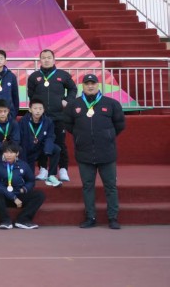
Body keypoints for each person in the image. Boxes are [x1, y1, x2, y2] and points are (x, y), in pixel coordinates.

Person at [64, 74, 126, 230]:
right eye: (87, 84)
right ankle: (90, 217)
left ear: (98, 85)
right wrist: (80, 136)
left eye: (93, 83)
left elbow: (120, 125)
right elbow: (68, 125)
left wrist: (107, 136)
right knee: (88, 186)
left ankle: (113, 218)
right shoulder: (74, 105)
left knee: (110, 186)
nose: (90, 86)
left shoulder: (111, 104)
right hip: (84, 153)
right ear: (82, 86)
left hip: (106, 153)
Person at [27, 49, 77, 182]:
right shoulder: (34, 77)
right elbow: (31, 95)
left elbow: (73, 89)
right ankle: (43, 169)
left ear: (54, 59)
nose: (46, 60)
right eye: (43, 58)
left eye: (49, 57)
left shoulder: (63, 75)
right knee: (41, 143)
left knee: (60, 143)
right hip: (41, 118)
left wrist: (67, 101)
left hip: (59, 116)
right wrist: (37, 109)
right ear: (40, 60)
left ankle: (63, 169)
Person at [0, 142, 45, 229]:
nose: (8, 155)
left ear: (17, 153)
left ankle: (23, 219)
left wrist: (24, 189)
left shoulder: (23, 165)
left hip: (19, 194)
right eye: (6, 152)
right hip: (4, 196)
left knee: (39, 195)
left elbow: (31, 180)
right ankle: (5, 221)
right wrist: (13, 198)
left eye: (11, 152)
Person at [20, 98, 61, 187]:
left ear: (43, 110)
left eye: (40, 109)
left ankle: (51, 175)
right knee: (30, 179)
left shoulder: (48, 121)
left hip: (41, 148)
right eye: (35, 108)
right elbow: (22, 141)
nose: (38, 111)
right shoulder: (23, 121)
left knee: (56, 149)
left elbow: (50, 136)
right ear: (30, 109)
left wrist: (48, 149)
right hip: (28, 151)